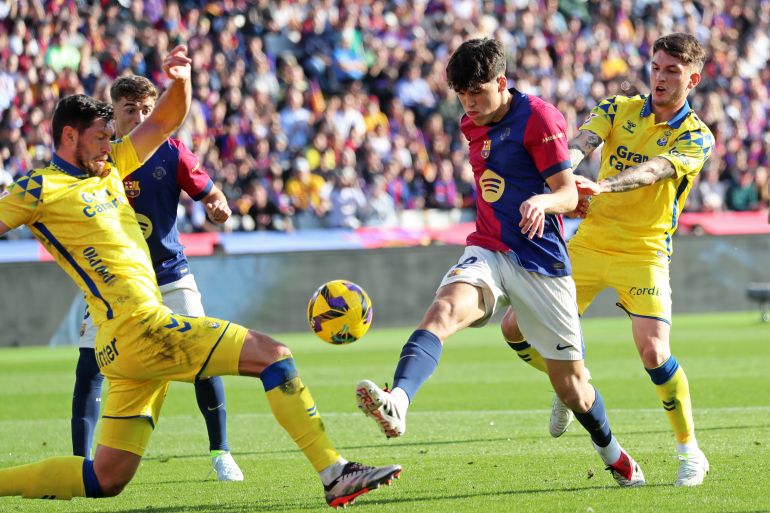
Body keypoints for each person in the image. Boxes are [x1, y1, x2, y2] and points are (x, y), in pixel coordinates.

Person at [0, 46, 401, 508]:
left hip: (125, 343)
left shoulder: (111, 167)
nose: (108, 145)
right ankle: (334, 473)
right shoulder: (39, 187)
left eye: (111, 136)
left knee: (107, 478)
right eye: (98, 138)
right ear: (69, 136)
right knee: (273, 355)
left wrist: (181, 79)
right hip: (138, 327)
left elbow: (164, 122)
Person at [355, 38, 644, 487]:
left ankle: (613, 454)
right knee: (444, 312)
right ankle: (398, 402)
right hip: (489, 247)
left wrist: (544, 203)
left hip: (541, 261)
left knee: (574, 391)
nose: (469, 104)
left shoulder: (539, 118)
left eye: (477, 92)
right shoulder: (472, 122)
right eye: (462, 95)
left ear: (502, 82)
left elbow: (569, 193)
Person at [501, 33, 713, 487]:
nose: (659, 76)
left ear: (692, 79)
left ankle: (689, 452)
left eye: (672, 70)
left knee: (654, 351)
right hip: (591, 241)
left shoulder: (697, 136)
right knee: (513, 329)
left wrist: (607, 185)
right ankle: (573, 383)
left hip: (645, 249)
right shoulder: (618, 107)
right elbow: (582, 141)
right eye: (656, 67)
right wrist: (569, 172)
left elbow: (656, 169)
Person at [71, 74, 242, 481]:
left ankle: (221, 451)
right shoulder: (97, 160)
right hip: (111, 284)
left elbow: (211, 193)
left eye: (149, 110)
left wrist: (219, 207)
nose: (142, 117)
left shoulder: (172, 152)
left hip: (169, 273)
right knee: (89, 367)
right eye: (132, 110)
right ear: (114, 113)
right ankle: (79, 463)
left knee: (204, 356)